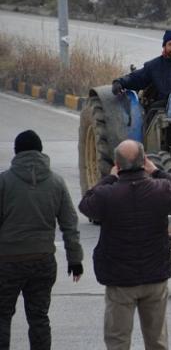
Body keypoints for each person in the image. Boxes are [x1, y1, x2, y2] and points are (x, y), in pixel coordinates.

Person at [78, 140, 171, 350]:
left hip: (120, 280)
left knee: (118, 341)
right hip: (155, 278)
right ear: (144, 162)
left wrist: (110, 177)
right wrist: (157, 172)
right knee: (157, 341)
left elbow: (86, 203)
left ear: (117, 164)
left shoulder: (107, 195)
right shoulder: (161, 190)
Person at [0, 130, 83, 350]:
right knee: (39, 318)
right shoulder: (56, 182)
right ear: (40, 151)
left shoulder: (4, 182)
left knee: (2, 317)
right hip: (43, 261)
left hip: (7, 262)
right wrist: (75, 260)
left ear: (16, 152)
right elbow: (69, 223)